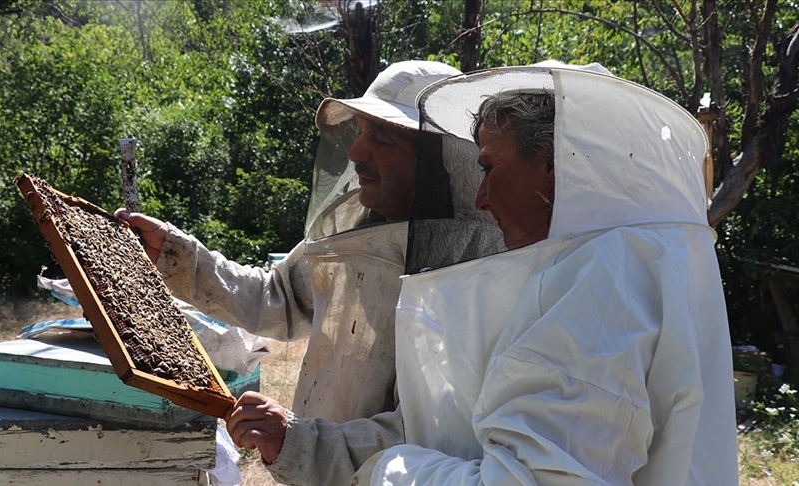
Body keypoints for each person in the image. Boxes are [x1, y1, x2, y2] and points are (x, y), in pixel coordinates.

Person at [347, 64, 739, 484]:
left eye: (488, 169)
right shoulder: (642, 266)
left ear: (554, 165)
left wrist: (390, 468)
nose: (480, 199)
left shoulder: (595, 291)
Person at [116, 60, 467, 476]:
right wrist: (178, 256)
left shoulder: (470, 269)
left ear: (438, 160)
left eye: (384, 138)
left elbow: (428, 436)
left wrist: (299, 441)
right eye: (360, 132)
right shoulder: (351, 227)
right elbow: (276, 297)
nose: (357, 151)